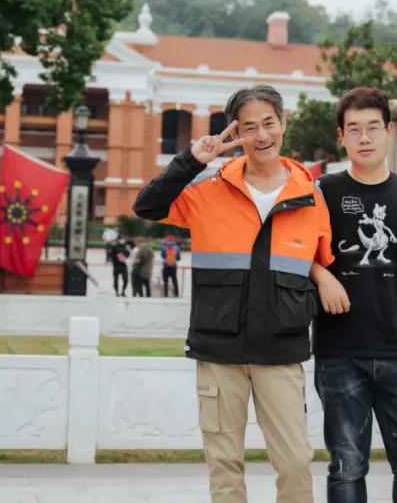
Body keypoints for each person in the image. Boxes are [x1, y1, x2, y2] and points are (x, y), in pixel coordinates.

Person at [134, 85, 335, 503]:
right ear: (236, 133)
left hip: (281, 353)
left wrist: (323, 277)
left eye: (269, 123)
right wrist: (193, 159)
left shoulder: (311, 196)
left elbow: (317, 260)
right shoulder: (207, 189)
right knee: (224, 464)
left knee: (296, 462)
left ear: (283, 123)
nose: (262, 135)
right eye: (249, 127)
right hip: (218, 352)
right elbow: (147, 206)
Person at [314, 86, 397, 503]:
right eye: (354, 129)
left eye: (373, 128)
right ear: (341, 137)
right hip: (339, 353)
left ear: (389, 131)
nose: (365, 138)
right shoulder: (322, 191)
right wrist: (321, 275)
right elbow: (292, 250)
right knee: (346, 467)